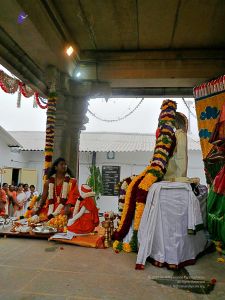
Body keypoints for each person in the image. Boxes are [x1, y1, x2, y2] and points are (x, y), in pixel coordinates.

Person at [31, 157, 80, 222]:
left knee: (72, 214)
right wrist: (38, 208)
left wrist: (68, 206)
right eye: (62, 164)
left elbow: (73, 196)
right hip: (51, 208)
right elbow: (43, 198)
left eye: (65, 164)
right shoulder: (48, 182)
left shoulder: (72, 182)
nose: (64, 166)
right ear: (56, 167)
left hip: (65, 208)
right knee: (33, 214)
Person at [164, 112, 188, 180]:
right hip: (171, 173)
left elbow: (181, 155)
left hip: (173, 174)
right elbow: (181, 156)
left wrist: (181, 176)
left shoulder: (180, 134)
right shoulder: (178, 134)